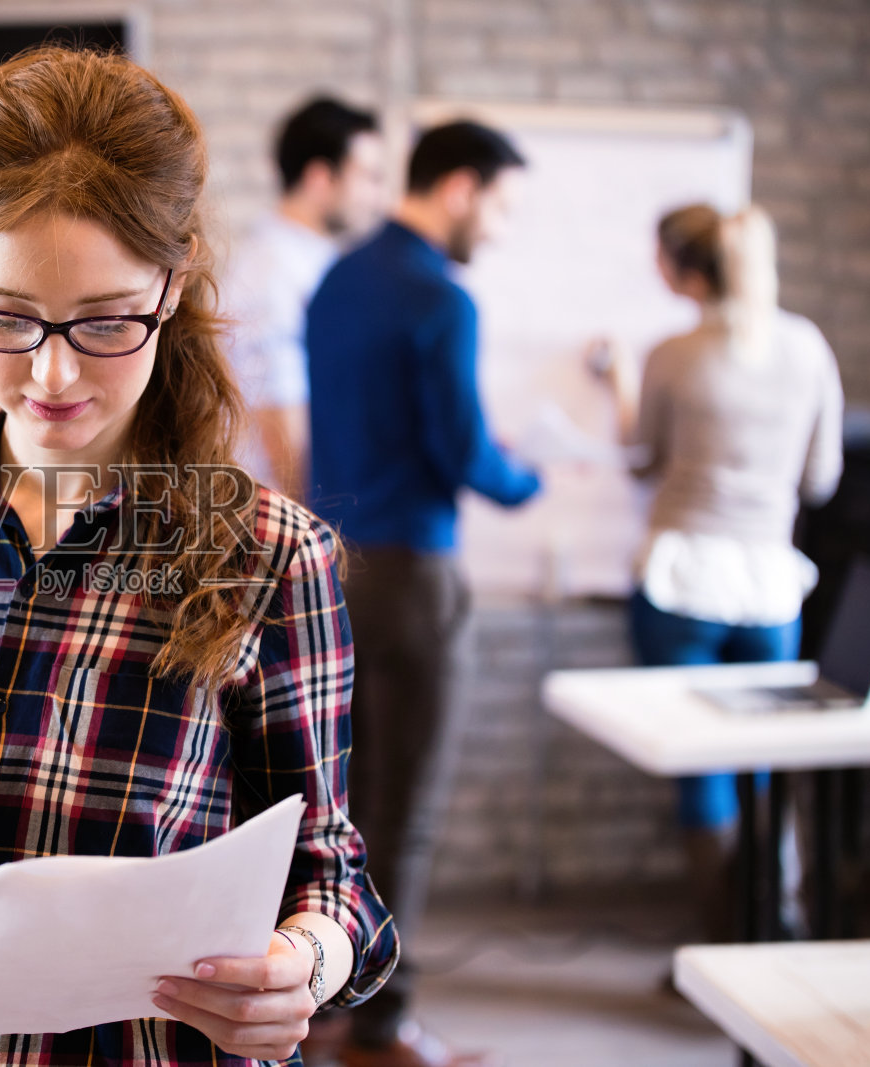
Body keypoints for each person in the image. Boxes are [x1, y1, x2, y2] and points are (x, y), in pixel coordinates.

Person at [0, 46, 399, 1066]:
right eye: (7, 318)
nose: (53, 373)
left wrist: (305, 960)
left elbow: (334, 879)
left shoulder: (268, 555)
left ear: (172, 284)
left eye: (106, 322)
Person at [304, 120, 540, 1067]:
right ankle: (382, 1023)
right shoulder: (442, 298)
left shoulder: (337, 279)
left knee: (342, 806)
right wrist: (528, 475)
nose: (501, 229)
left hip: (334, 573)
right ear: (459, 188)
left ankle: (323, 998)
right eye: (501, 206)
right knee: (407, 808)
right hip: (414, 577)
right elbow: (465, 454)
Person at [604, 203, 844, 939]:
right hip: (769, 587)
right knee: (766, 763)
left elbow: (641, 459)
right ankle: (775, 929)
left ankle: (721, 940)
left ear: (688, 272)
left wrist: (620, 382)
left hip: (681, 580)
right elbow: (821, 479)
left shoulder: (672, 354)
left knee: (702, 771)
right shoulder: (806, 347)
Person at [223, 97, 385, 501]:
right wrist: (317, 525)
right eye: (368, 177)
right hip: (277, 517)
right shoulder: (273, 272)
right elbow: (280, 416)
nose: (376, 196)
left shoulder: (315, 261)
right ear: (320, 178)